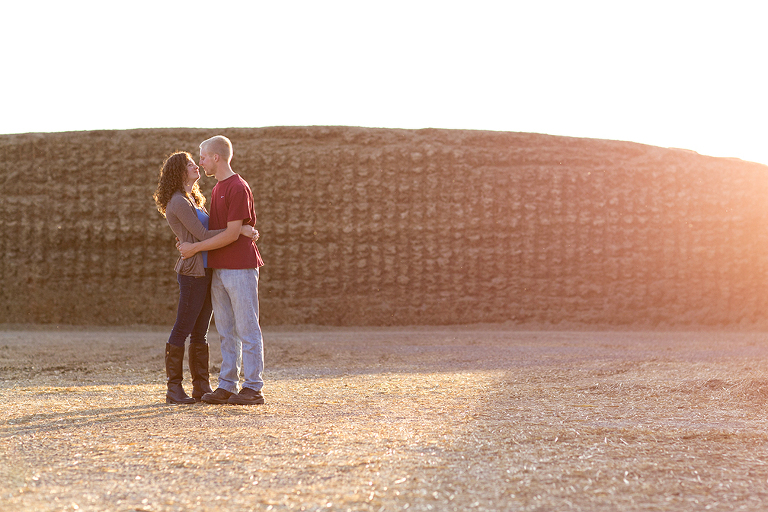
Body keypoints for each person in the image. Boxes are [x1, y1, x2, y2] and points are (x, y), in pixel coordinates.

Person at [153, 151, 258, 405]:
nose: (196, 165)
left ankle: (200, 386)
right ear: (179, 171)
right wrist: (239, 230)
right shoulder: (178, 201)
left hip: (205, 270)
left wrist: (234, 230)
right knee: (183, 328)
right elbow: (202, 234)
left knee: (200, 332)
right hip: (192, 273)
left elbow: (203, 234)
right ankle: (173, 388)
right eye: (190, 163)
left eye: (196, 161)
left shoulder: (194, 200)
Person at [179, 135, 265, 406]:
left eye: (203, 157)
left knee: (247, 328)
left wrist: (194, 248)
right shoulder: (217, 189)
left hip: (240, 267)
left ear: (216, 157)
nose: (200, 162)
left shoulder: (238, 187)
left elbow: (229, 235)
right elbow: (219, 230)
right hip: (219, 268)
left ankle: (253, 387)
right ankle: (227, 385)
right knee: (226, 331)